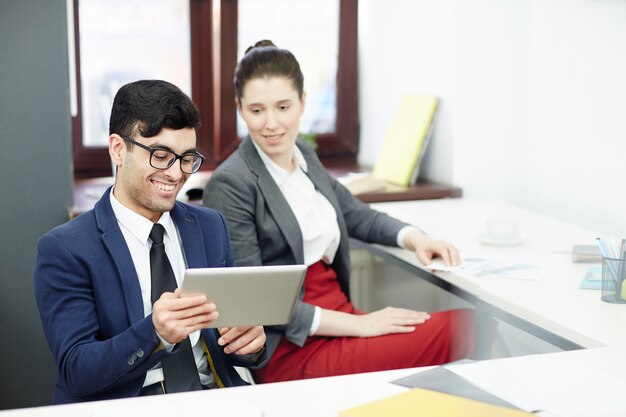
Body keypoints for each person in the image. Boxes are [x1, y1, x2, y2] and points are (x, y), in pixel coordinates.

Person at [202, 41, 479, 384]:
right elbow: (256, 301)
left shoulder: (303, 154)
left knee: (465, 326)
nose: (271, 123)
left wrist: (416, 238)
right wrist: (363, 324)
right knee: (462, 327)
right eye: (257, 110)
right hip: (292, 344)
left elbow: (356, 214)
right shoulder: (232, 182)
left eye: (283, 107)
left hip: (342, 316)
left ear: (303, 102)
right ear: (240, 109)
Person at [34, 80, 266, 404]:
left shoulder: (210, 227)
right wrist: (154, 333)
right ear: (118, 149)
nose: (176, 174)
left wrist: (251, 346)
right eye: (161, 156)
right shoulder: (65, 249)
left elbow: (230, 346)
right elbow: (77, 369)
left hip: (213, 399)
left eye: (187, 158)